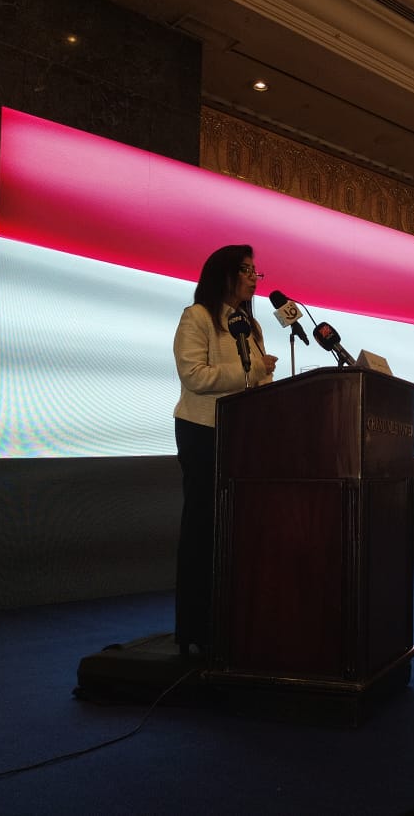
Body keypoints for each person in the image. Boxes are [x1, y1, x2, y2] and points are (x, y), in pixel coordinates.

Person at [172, 244, 277, 655]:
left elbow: (257, 381)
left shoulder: (250, 324)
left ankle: (232, 621)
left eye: (256, 272)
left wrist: (268, 387)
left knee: (237, 530)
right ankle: (196, 627)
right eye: (246, 270)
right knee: (203, 527)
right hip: (203, 431)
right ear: (224, 274)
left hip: (243, 434)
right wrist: (253, 372)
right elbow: (194, 375)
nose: (254, 278)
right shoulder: (197, 317)